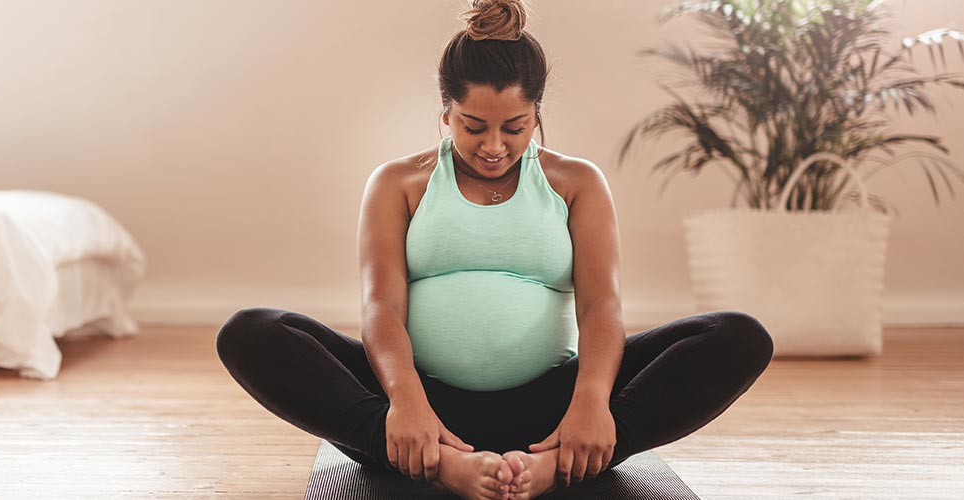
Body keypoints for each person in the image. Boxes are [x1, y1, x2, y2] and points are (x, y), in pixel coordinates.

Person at [215, 1, 774, 499]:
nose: (493, 146)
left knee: (738, 336)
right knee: (252, 331)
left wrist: (591, 402)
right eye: (473, 126)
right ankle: (438, 463)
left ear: (537, 114)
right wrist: (407, 402)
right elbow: (380, 308)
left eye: (515, 127)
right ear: (445, 112)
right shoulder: (397, 183)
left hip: (550, 406)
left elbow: (602, 307)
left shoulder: (576, 182)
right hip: (419, 405)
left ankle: (561, 462)